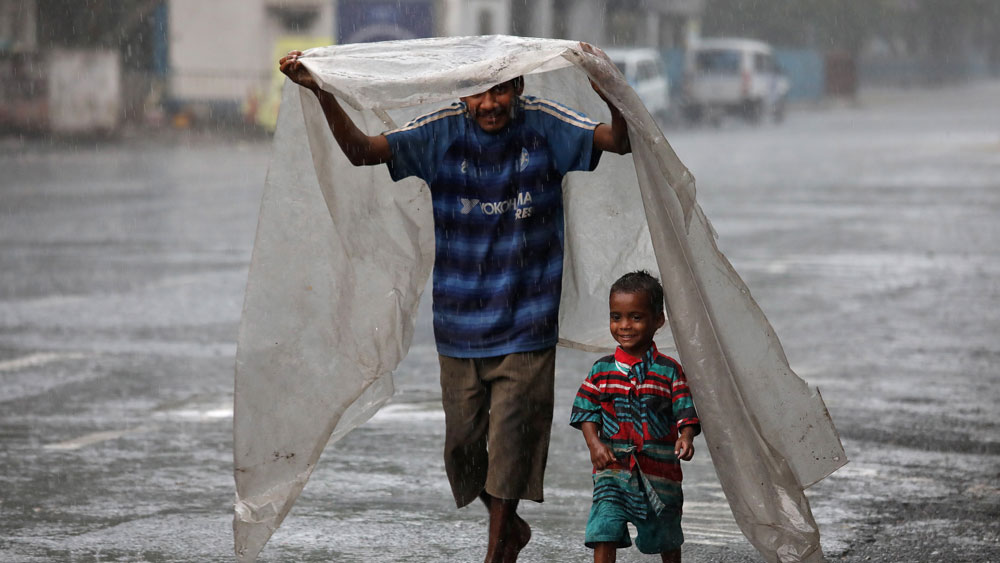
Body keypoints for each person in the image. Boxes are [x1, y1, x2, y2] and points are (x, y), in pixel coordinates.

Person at [278, 44, 631, 563]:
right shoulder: (440, 132)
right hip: (459, 327)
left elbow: (618, 141)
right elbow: (362, 151)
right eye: (479, 91)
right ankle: (508, 530)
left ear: (519, 90)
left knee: (510, 452)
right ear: (461, 94)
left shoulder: (544, 126)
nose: (490, 103)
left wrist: (613, 95)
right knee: (462, 455)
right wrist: (323, 91)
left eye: (501, 89)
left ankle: (495, 553)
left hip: (527, 323)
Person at [570, 271, 700, 563]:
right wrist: (594, 444)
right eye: (616, 317)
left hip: (659, 473)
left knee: (666, 533)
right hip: (612, 470)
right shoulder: (601, 370)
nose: (624, 326)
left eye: (636, 317)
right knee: (604, 528)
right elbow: (585, 409)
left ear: (658, 320)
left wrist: (686, 436)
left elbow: (684, 409)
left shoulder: (669, 370)